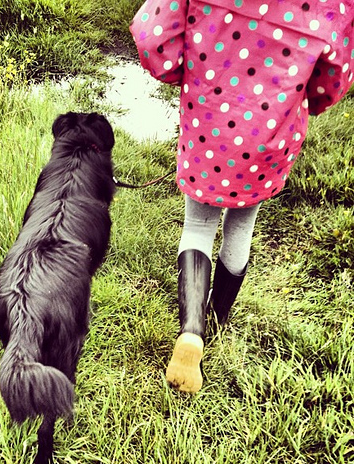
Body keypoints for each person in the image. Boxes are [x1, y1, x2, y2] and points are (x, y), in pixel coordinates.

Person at [130, 0, 354, 393]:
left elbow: (153, 37)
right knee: (241, 228)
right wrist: (301, 97)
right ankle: (216, 322)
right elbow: (333, 80)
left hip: (208, 116)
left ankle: (192, 332)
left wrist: (183, 71)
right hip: (270, 130)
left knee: (198, 224)